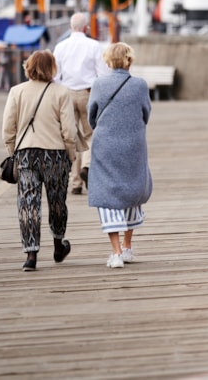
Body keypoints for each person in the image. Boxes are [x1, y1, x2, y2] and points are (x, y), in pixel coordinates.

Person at [2, 50, 78, 272]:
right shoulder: (62, 92)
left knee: (28, 203)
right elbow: (69, 131)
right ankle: (58, 245)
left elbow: (8, 129)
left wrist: (13, 151)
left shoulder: (16, 92)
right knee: (57, 201)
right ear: (52, 67)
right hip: (55, 154)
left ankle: (31, 255)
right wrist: (71, 156)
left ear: (29, 67)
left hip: (26, 153)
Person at [87, 42, 153, 269]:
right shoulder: (140, 85)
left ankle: (115, 253)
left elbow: (91, 117)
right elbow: (146, 113)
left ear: (108, 61)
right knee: (132, 190)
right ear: (129, 60)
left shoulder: (99, 84)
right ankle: (127, 247)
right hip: (134, 144)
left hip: (106, 145)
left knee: (107, 194)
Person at [54, 12, 109, 195]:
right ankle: (87, 166)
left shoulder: (60, 47)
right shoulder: (94, 46)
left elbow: (55, 75)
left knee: (73, 138)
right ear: (86, 27)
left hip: (67, 94)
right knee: (90, 134)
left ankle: (75, 182)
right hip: (88, 93)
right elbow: (102, 73)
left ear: (71, 27)